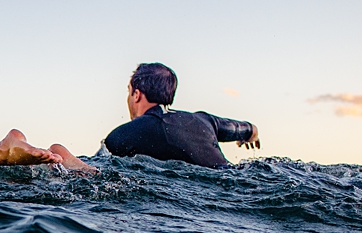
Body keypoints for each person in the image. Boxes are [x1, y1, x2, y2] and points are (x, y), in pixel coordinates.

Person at [103, 63, 260, 168]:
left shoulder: (128, 132)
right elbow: (249, 129)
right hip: (234, 180)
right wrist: (252, 134)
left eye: (128, 91)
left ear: (136, 94)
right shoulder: (204, 120)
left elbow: (94, 169)